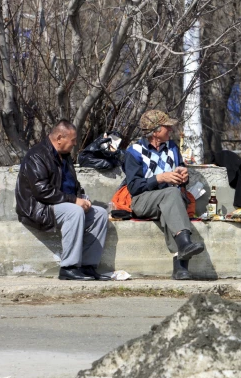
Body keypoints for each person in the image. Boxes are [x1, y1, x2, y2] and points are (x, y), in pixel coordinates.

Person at [15, 119, 110, 281]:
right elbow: (41, 191)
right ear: (59, 138)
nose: (74, 144)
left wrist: (81, 197)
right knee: (74, 211)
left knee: (100, 214)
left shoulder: (64, 156)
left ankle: (88, 266)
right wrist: (74, 201)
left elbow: (73, 183)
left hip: (61, 204)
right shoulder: (37, 156)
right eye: (72, 140)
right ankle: (69, 268)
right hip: (38, 208)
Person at [123, 110, 205, 280]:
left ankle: (180, 267)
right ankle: (184, 249)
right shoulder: (134, 151)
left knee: (171, 202)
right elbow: (134, 187)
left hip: (170, 199)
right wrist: (160, 178)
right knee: (170, 196)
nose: (171, 130)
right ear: (155, 131)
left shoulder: (172, 147)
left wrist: (183, 175)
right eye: (167, 127)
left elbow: (180, 170)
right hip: (143, 200)